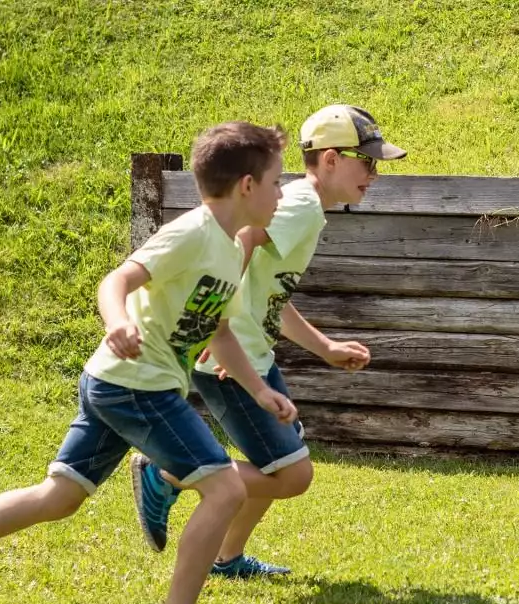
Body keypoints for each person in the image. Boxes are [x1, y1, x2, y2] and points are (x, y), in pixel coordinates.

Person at [0, 121, 296, 604]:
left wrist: (261, 393)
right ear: (246, 186)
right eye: (276, 182)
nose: (281, 194)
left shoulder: (227, 249)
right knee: (226, 489)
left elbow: (216, 330)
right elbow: (118, 280)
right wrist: (117, 320)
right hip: (136, 385)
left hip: (116, 382)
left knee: (60, 495)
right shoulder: (193, 233)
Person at [130, 105, 406, 577]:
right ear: (333, 159)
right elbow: (242, 238)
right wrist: (216, 325)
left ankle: (228, 558)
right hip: (233, 359)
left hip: (254, 353)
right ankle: (166, 473)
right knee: (292, 475)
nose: (375, 176)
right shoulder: (298, 206)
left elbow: (271, 295)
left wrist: (325, 348)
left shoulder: (305, 207)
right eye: (369, 162)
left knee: (276, 463)